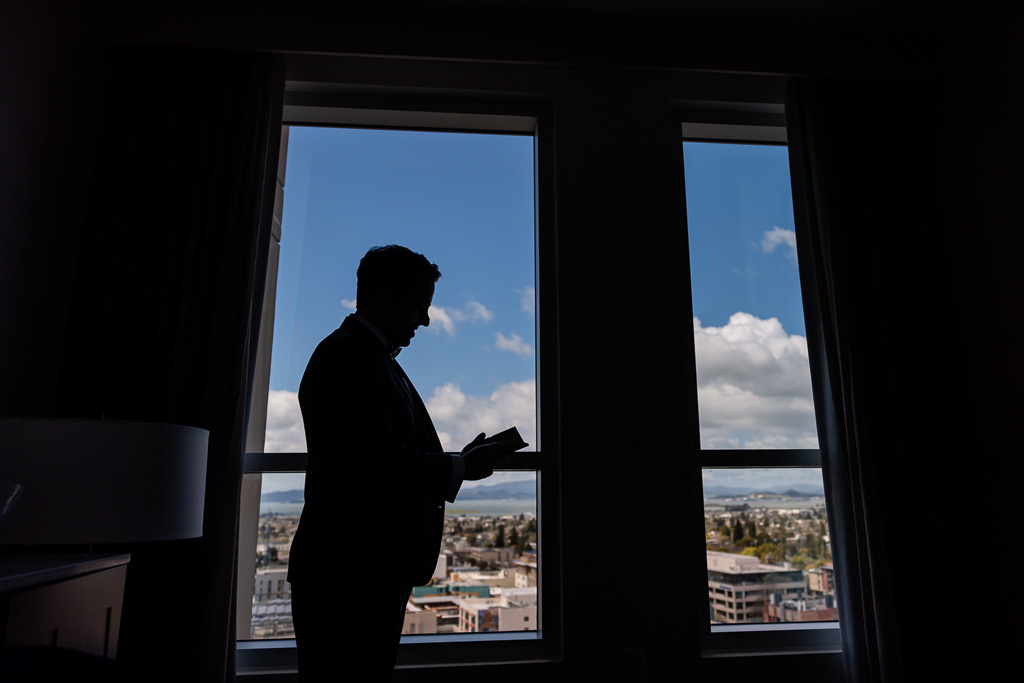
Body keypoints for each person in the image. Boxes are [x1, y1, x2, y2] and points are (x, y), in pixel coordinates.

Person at [286, 245, 516, 681]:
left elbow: (375, 453)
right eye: (419, 306)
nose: (426, 320)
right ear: (384, 298)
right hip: (351, 577)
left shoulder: (363, 357)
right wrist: (460, 468)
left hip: (357, 572)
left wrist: (459, 461)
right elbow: (376, 462)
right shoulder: (349, 358)